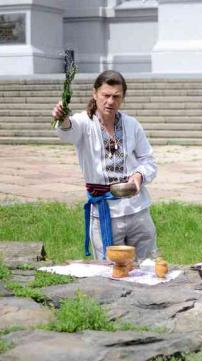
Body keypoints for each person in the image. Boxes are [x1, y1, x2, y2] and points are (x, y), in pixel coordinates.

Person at [52, 70, 158, 260]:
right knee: (111, 273)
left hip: (138, 210)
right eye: (106, 95)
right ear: (95, 94)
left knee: (148, 267)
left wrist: (139, 176)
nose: (110, 101)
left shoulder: (131, 124)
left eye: (116, 96)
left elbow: (148, 160)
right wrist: (62, 118)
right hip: (105, 213)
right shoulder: (84, 122)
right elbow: (68, 132)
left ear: (123, 98)